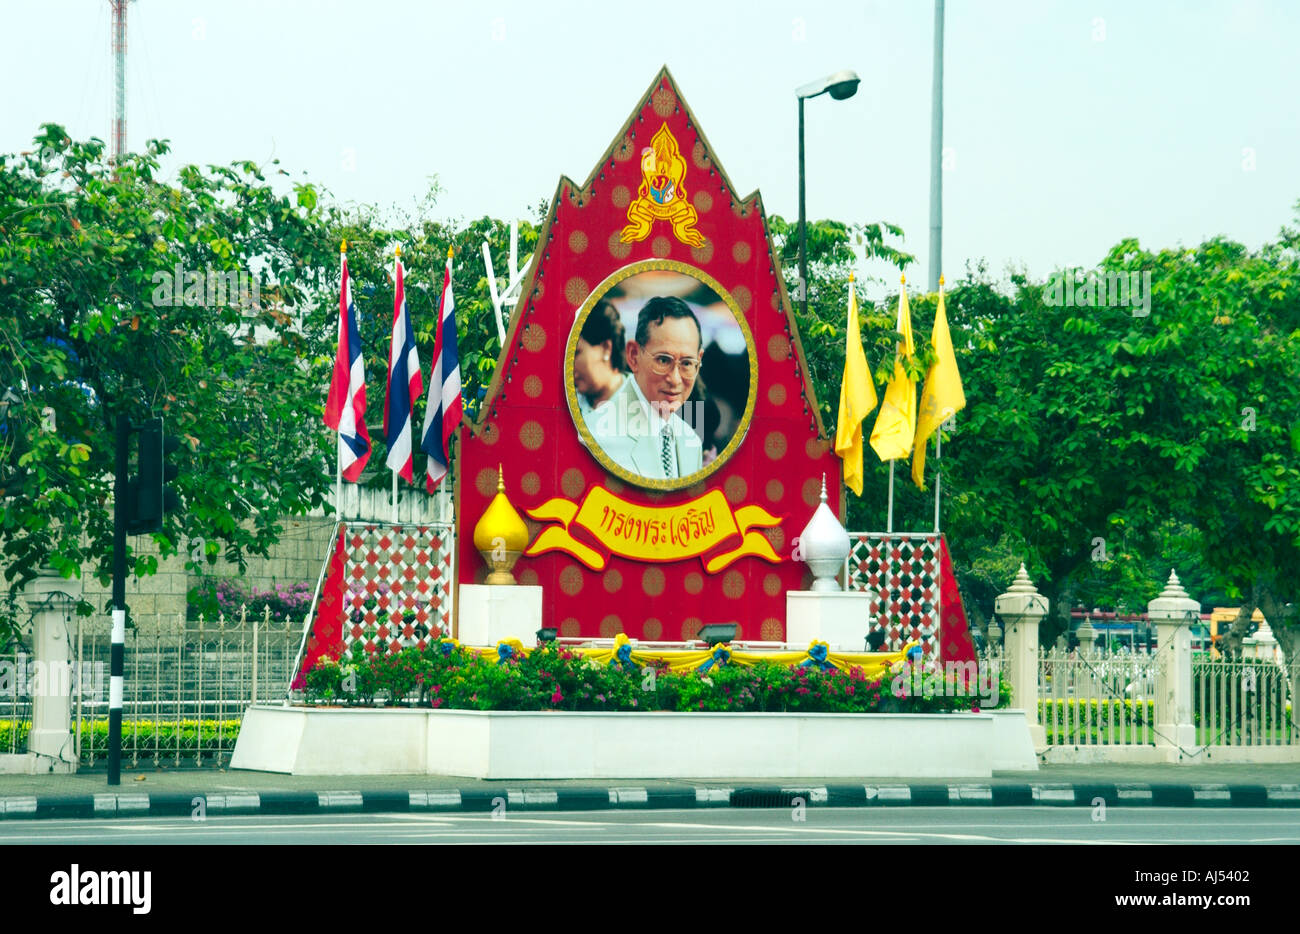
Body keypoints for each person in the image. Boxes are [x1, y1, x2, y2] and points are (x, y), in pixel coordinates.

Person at [587, 296, 704, 480]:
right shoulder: (595, 438)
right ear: (633, 356)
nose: (675, 379)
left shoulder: (692, 442)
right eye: (663, 360)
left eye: (687, 363)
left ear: (699, 360)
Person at [573, 300, 627, 420]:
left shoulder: (643, 401)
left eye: (576, 353)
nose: (568, 365)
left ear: (606, 348)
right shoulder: (567, 405)